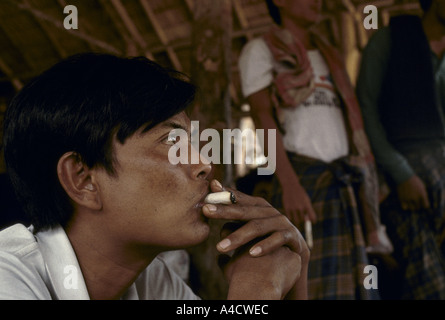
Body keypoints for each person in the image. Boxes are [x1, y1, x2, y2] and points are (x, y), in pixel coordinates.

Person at [0, 53, 309, 300]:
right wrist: (254, 293)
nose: (203, 164)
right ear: (82, 178)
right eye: (172, 142)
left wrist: (294, 274)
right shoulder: (7, 280)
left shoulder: (154, 284)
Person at [238, 0, 392, 300]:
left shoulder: (329, 54)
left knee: (353, 286)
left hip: (342, 181)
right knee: (313, 284)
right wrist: (290, 184)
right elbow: (262, 116)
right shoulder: (260, 50)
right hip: (303, 180)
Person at [356, 0, 445, 299]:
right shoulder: (389, 39)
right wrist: (402, 173)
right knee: (429, 282)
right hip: (403, 182)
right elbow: (365, 110)